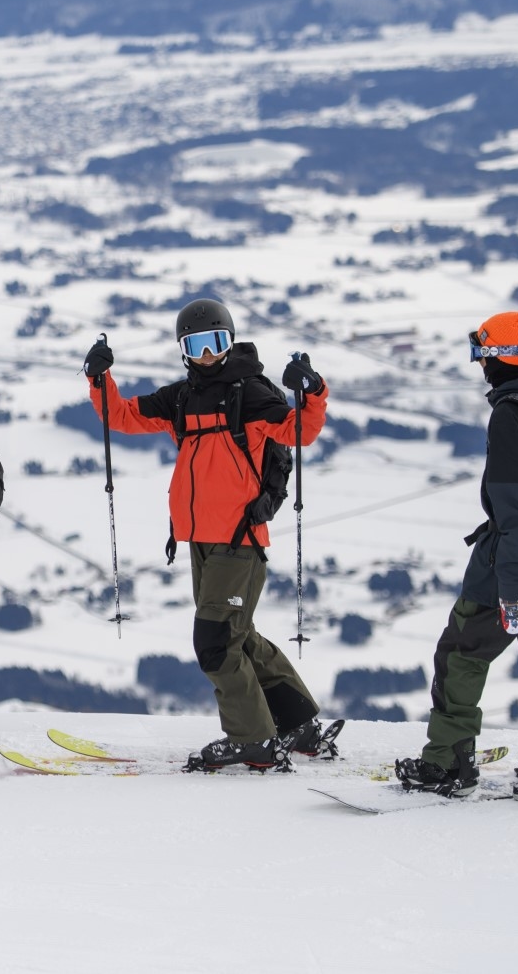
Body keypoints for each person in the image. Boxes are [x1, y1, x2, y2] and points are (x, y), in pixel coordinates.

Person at [82, 299, 329, 771]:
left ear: (230, 341)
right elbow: (124, 416)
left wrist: (313, 389)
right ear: (184, 351)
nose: (207, 355)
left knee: (215, 643)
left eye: (216, 343)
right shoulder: (181, 398)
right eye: (196, 346)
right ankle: (298, 725)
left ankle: (253, 740)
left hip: (239, 540)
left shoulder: (252, 393)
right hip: (200, 542)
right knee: (238, 637)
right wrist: (100, 380)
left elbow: (302, 430)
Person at [396, 311, 518, 804]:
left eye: (482, 355)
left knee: (460, 654)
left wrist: (511, 592)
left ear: (495, 358)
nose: (480, 366)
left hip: (514, 568)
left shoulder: (511, 415)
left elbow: (517, 515)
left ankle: (447, 763)